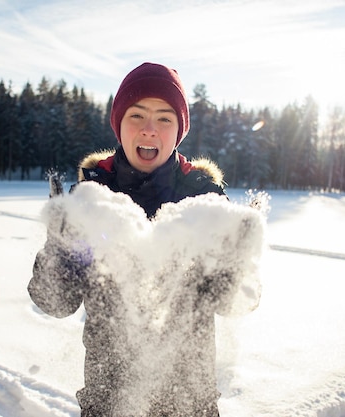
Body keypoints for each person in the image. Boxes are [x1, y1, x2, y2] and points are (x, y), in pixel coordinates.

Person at [28, 62, 233, 416]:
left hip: (190, 405)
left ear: (179, 130)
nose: (150, 130)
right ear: (119, 125)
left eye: (165, 118)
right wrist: (61, 244)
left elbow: (237, 301)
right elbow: (54, 302)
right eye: (137, 116)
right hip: (110, 404)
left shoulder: (205, 201)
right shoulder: (89, 201)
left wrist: (236, 256)